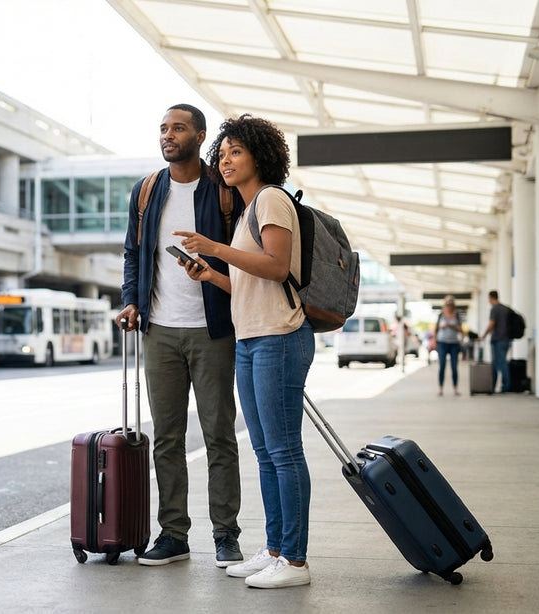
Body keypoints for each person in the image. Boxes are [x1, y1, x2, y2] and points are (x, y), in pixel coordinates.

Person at [176, 113, 314, 588]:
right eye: (224, 152)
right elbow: (251, 284)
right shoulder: (249, 210)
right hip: (253, 339)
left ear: (261, 155)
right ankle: (275, 548)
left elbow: (276, 268)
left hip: (280, 337)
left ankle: (294, 561)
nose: (227, 160)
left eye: (237, 151)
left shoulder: (272, 199)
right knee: (265, 452)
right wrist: (211, 274)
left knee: (284, 451)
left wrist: (216, 247)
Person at [115, 103, 244, 568]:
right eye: (164, 128)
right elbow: (134, 253)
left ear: (200, 135)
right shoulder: (148, 190)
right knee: (167, 439)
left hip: (214, 329)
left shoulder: (224, 190)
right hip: (160, 330)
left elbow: (245, 252)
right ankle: (174, 535)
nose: (168, 135)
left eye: (179, 128)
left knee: (218, 435)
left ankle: (226, 534)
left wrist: (211, 265)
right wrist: (132, 299)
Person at [481, 290, 513, 393]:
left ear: (491, 298)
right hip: (507, 339)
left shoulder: (495, 309)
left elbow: (491, 323)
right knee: (502, 362)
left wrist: (483, 336)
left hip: (498, 339)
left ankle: (504, 386)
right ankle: (500, 385)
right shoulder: (505, 308)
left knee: (499, 363)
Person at [433, 296, 463, 396]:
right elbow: (435, 329)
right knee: (442, 366)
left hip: (454, 343)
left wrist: (451, 325)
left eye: (451, 304)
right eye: (447, 304)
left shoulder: (457, 315)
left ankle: (455, 388)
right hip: (442, 343)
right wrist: (434, 341)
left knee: (454, 367)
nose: (449, 305)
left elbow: (460, 329)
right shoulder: (441, 315)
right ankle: (440, 389)